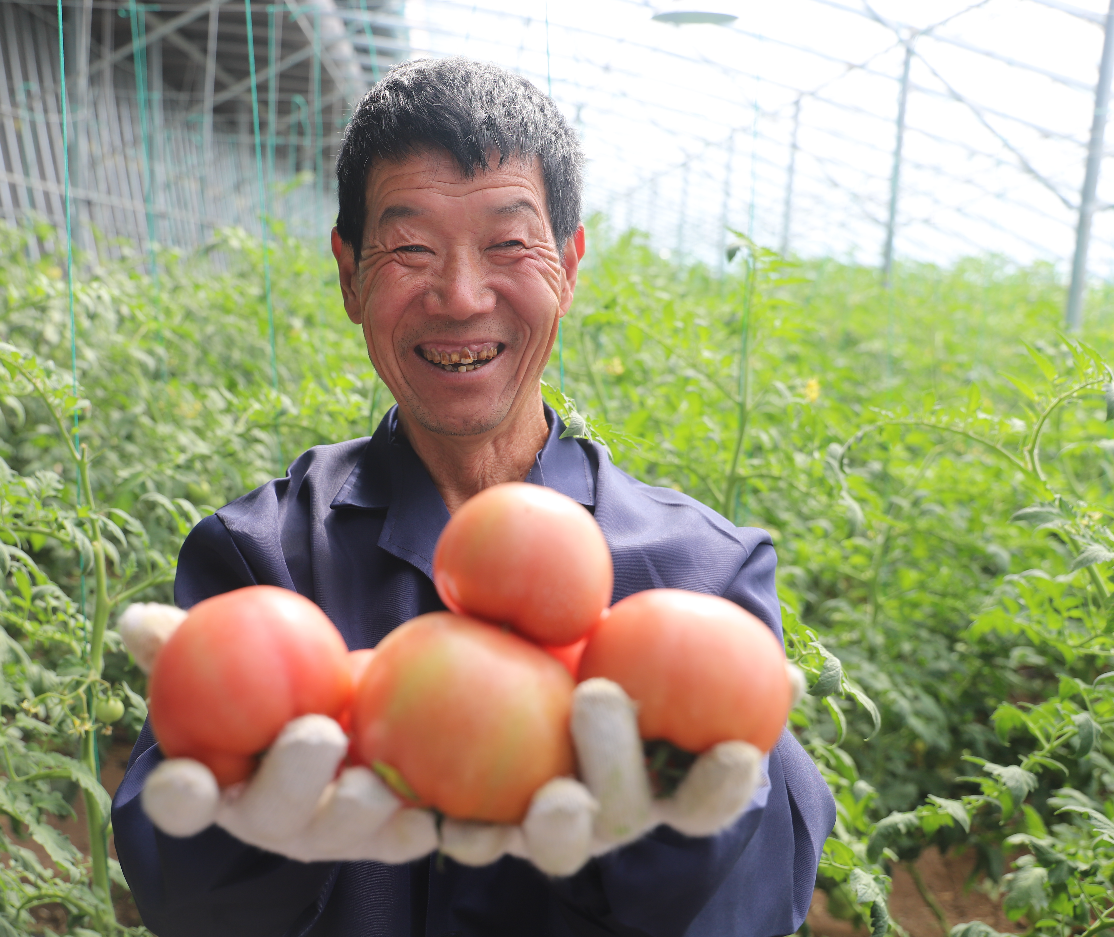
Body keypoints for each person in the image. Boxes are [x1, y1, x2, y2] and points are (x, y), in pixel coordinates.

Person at [112, 56, 835, 937]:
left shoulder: (704, 573)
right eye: (410, 248)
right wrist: (244, 842)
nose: (460, 297)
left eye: (509, 244)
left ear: (569, 266)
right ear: (349, 274)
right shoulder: (264, 556)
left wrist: (674, 843)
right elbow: (180, 888)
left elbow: (763, 896)